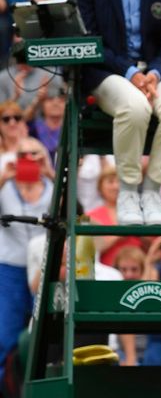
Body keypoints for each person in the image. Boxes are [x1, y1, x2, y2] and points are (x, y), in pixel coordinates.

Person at [74, 0, 161, 226]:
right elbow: (90, 40)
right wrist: (129, 73)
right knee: (135, 107)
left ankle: (152, 192)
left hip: (155, 71)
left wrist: (156, 73)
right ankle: (128, 191)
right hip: (107, 72)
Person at [0, 137, 53, 384]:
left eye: (35, 154)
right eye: (23, 154)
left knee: (41, 331)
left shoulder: (53, 186)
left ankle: (38, 384)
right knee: (5, 335)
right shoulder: (6, 185)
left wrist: (50, 173)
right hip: (9, 267)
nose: (29, 159)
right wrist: (4, 176)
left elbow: (74, 209)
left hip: (43, 267)